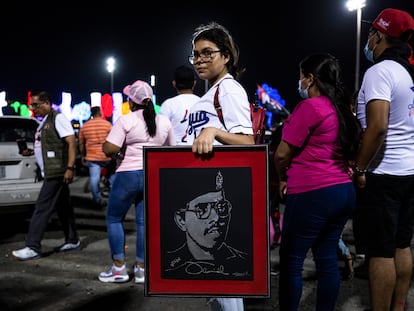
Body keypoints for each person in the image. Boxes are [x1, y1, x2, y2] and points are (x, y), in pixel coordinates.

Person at [275, 53, 361, 310]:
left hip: (313, 191)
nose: (299, 82)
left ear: (310, 78)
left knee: (291, 260)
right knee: (325, 258)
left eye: (301, 77)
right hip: (342, 191)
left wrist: (281, 178)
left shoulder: (311, 107)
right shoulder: (341, 108)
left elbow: (281, 154)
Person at [186, 21, 254, 311]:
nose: (199, 59)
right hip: (201, 195)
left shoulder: (228, 90)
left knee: (226, 289)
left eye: (207, 53)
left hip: (218, 197)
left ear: (225, 55)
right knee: (215, 288)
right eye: (195, 54)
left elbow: (248, 142)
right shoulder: (211, 92)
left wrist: (213, 133)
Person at [352, 8, 414, 311]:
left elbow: (377, 127)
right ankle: (399, 306)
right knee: (402, 245)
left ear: (379, 35)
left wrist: (360, 166)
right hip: (409, 170)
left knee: (380, 252)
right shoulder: (408, 71)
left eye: (372, 32)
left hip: (384, 172)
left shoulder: (380, 71)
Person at [98, 80, 175, 284]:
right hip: (151, 175)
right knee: (143, 222)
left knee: (114, 218)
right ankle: (141, 269)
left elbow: (109, 149)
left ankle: (118, 268)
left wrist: (120, 148)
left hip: (128, 175)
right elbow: (171, 149)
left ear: (132, 102)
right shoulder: (164, 121)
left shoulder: (126, 120)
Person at [12, 90, 80, 260]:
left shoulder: (58, 118)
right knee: (63, 206)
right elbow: (48, 145)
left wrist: (70, 167)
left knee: (42, 208)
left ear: (47, 103)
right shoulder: (45, 122)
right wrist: (31, 152)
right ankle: (72, 239)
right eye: (32, 105)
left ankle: (33, 246)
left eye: (36, 105)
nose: (33, 108)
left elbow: (71, 142)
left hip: (56, 172)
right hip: (52, 170)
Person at [164, 170, 250, 279]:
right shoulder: (168, 267)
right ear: (181, 220)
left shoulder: (246, 265)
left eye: (221, 207)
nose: (216, 218)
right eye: (202, 209)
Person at [78, 106, 114, 207]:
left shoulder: (85, 126)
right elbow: (113, 139)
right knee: (112, 176)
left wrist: (82, 155)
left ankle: (97, 200)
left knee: (94, 178)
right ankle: (113, 198)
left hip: (92, 156)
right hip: (106, 155)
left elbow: (81, 143)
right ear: (100, 113)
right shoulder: (107, 125)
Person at [159, 65, 200, 145]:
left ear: (174, 83)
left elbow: (161, 133)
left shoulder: (168, 104)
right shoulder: (203, 103)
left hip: (175, 152)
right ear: (194, 83)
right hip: (199, 151)